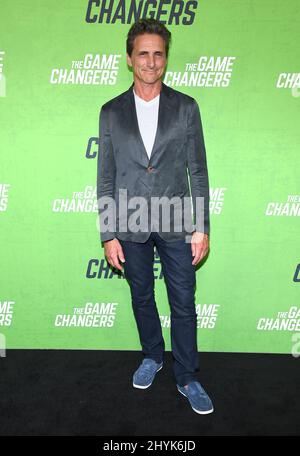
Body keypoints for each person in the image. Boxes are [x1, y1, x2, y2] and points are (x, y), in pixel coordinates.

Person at [97, 18, 213, 414]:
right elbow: (106, 175)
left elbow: (197, 170)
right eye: (142, 53)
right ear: (130, 59)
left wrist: (202, 227)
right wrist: (108, 232)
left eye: (157, 53)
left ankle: (187, 374)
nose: (150, 61)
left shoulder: (186, 108)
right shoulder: (111, 111)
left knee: (183, 301)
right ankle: (152, 355)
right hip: (128, 222)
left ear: (165, 58)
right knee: (141, 296)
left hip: (178, 220)